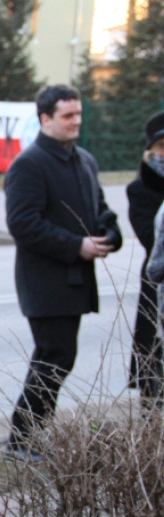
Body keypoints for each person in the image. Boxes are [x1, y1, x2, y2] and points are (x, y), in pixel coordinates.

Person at [4, 84, 122, 461]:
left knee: (59, 359)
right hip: (45, 281)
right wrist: (76, 246)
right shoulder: (30, 163)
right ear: (45, 119)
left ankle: (33, 437)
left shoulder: (83, 160)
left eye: (78, 114)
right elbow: (23, 223)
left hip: (75, 279)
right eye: (68, 116)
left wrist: (110, 233)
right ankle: (22, 441)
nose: (76, 122)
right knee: (53, 357)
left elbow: (99, 208)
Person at [126, 110, 164, 413]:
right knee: (155, 363)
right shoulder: (141, 189)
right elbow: (151, 239)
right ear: (152, 150)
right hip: (158, 285)